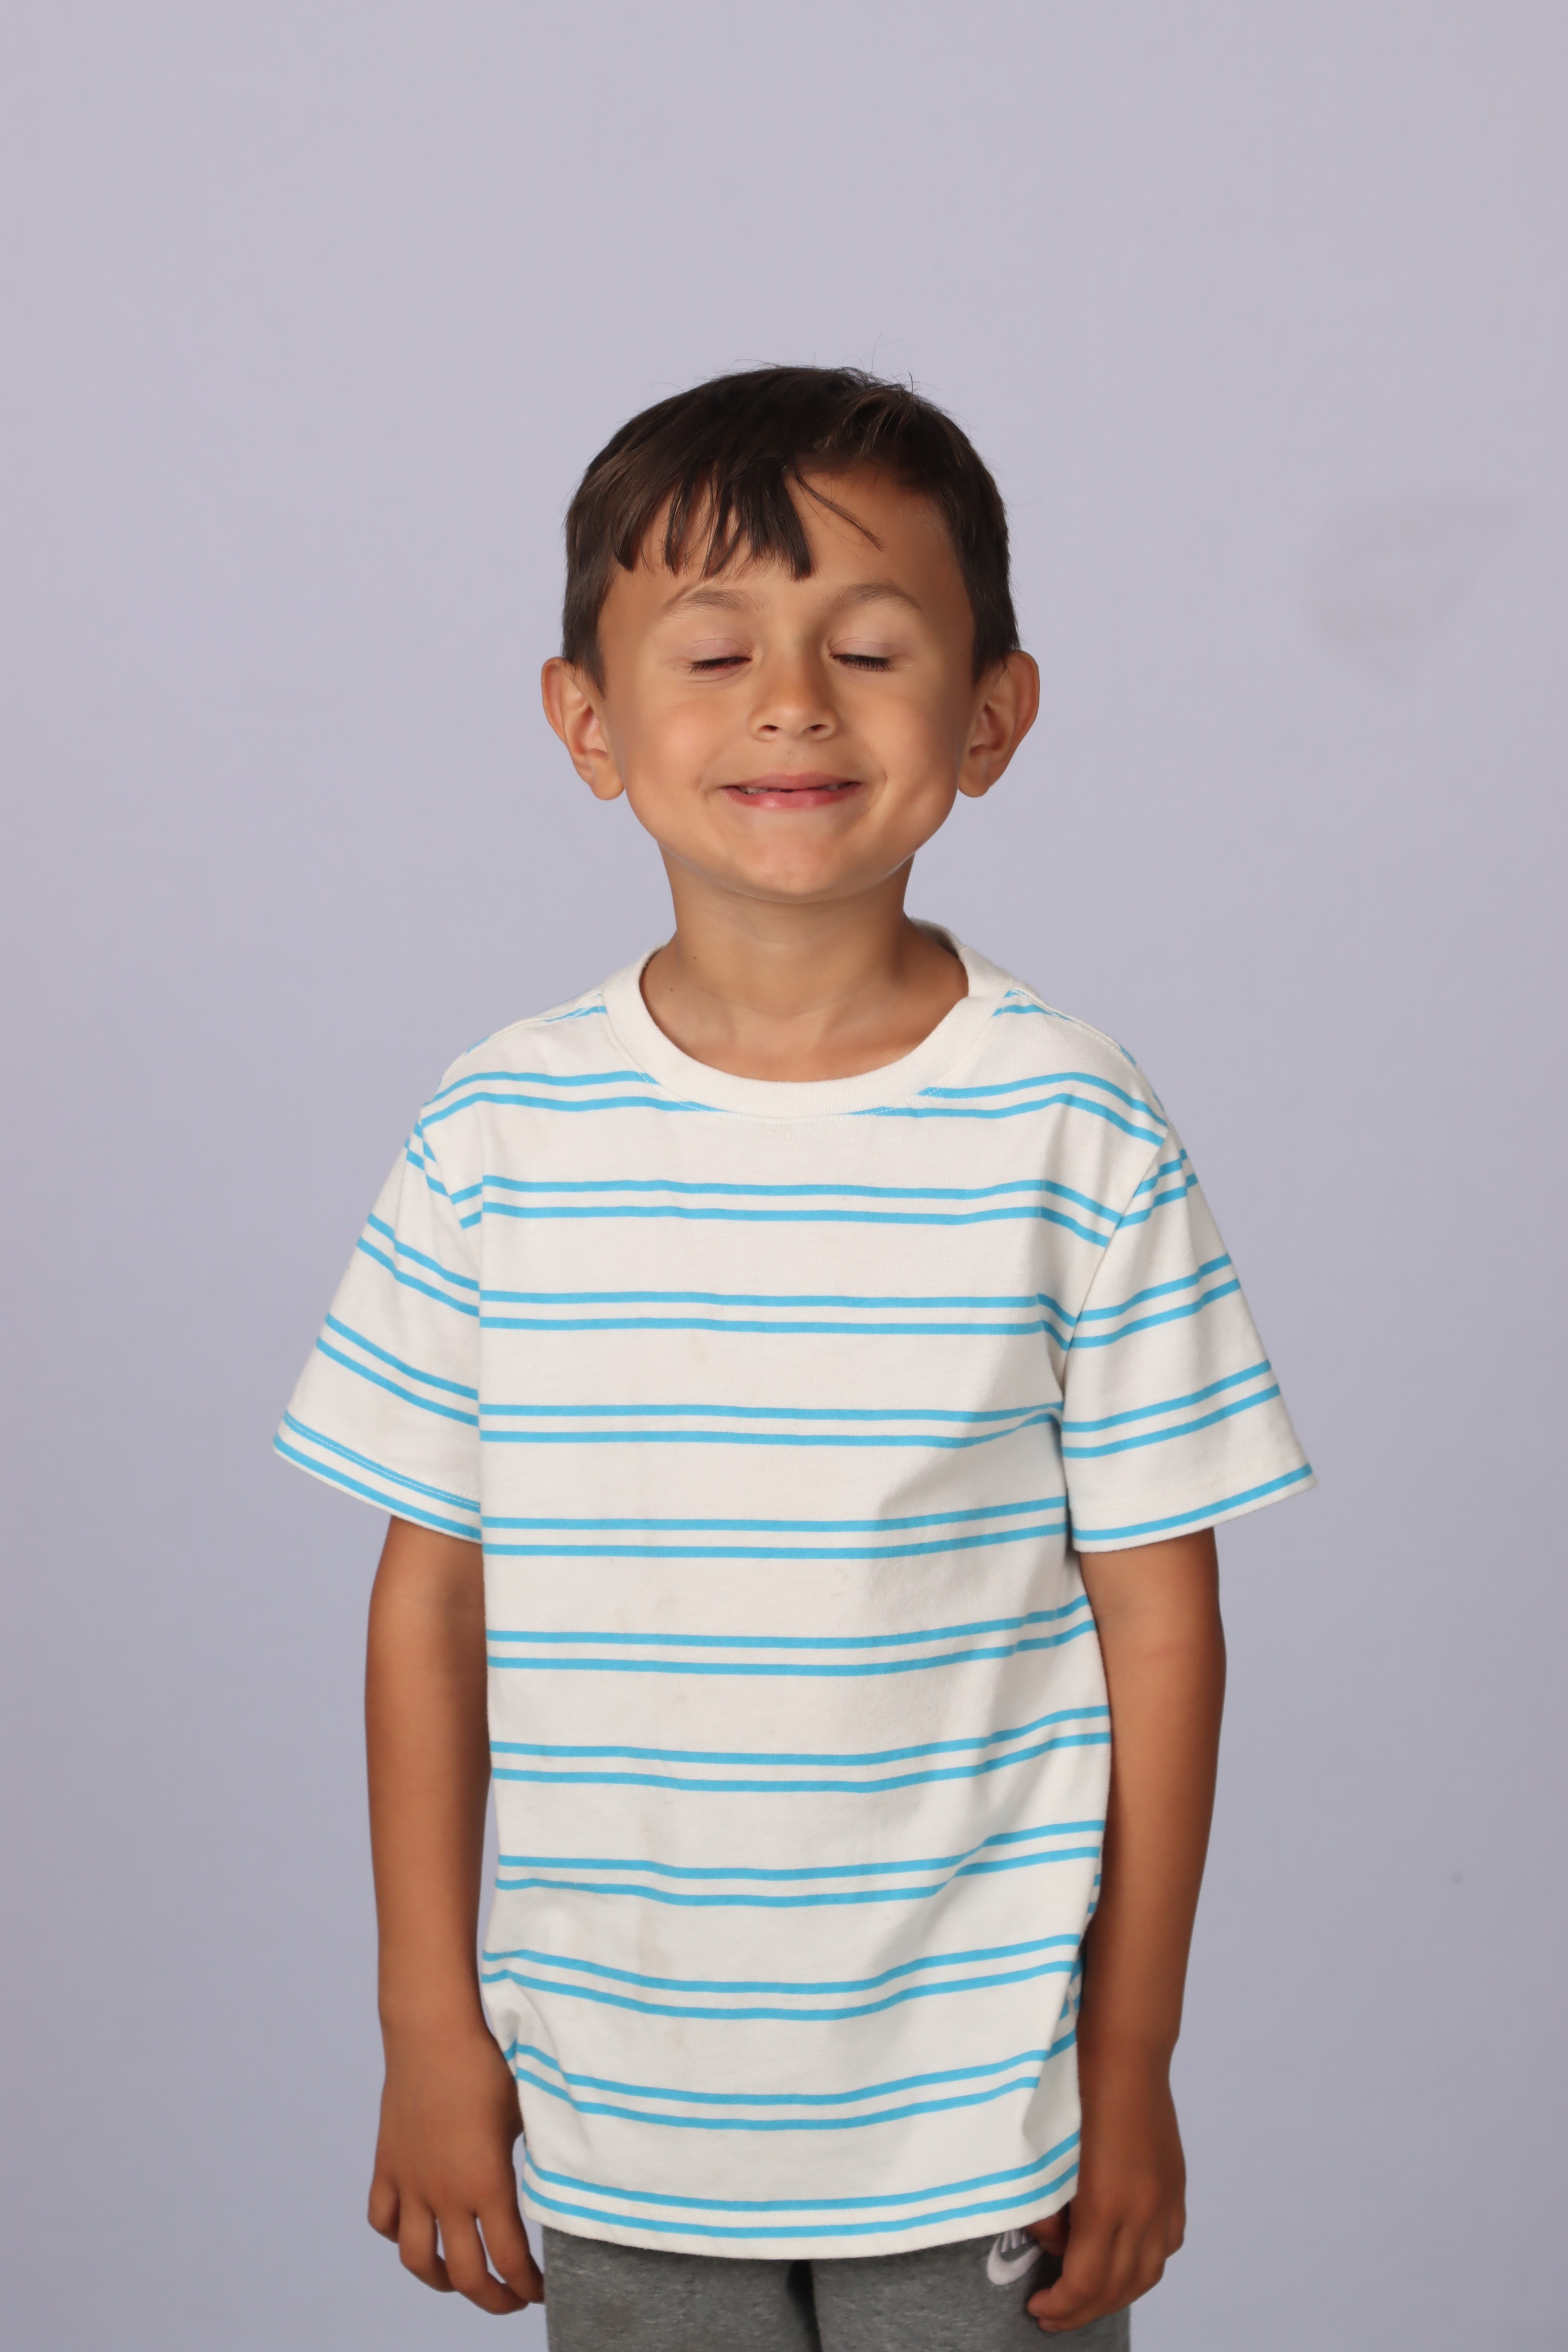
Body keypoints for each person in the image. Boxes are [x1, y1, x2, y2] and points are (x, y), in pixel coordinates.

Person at [276, 366, 1313, 2347]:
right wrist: (426, 2022)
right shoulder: (497, 1133)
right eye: (713, 651)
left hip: (988, 2108)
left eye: (868, 647)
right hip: (618, 2098)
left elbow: (1160, 1622)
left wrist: (1132, 2063)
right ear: (587, 719)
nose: (790, 704)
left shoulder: (1073, 1125)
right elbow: (431, 1601)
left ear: (989, 716)